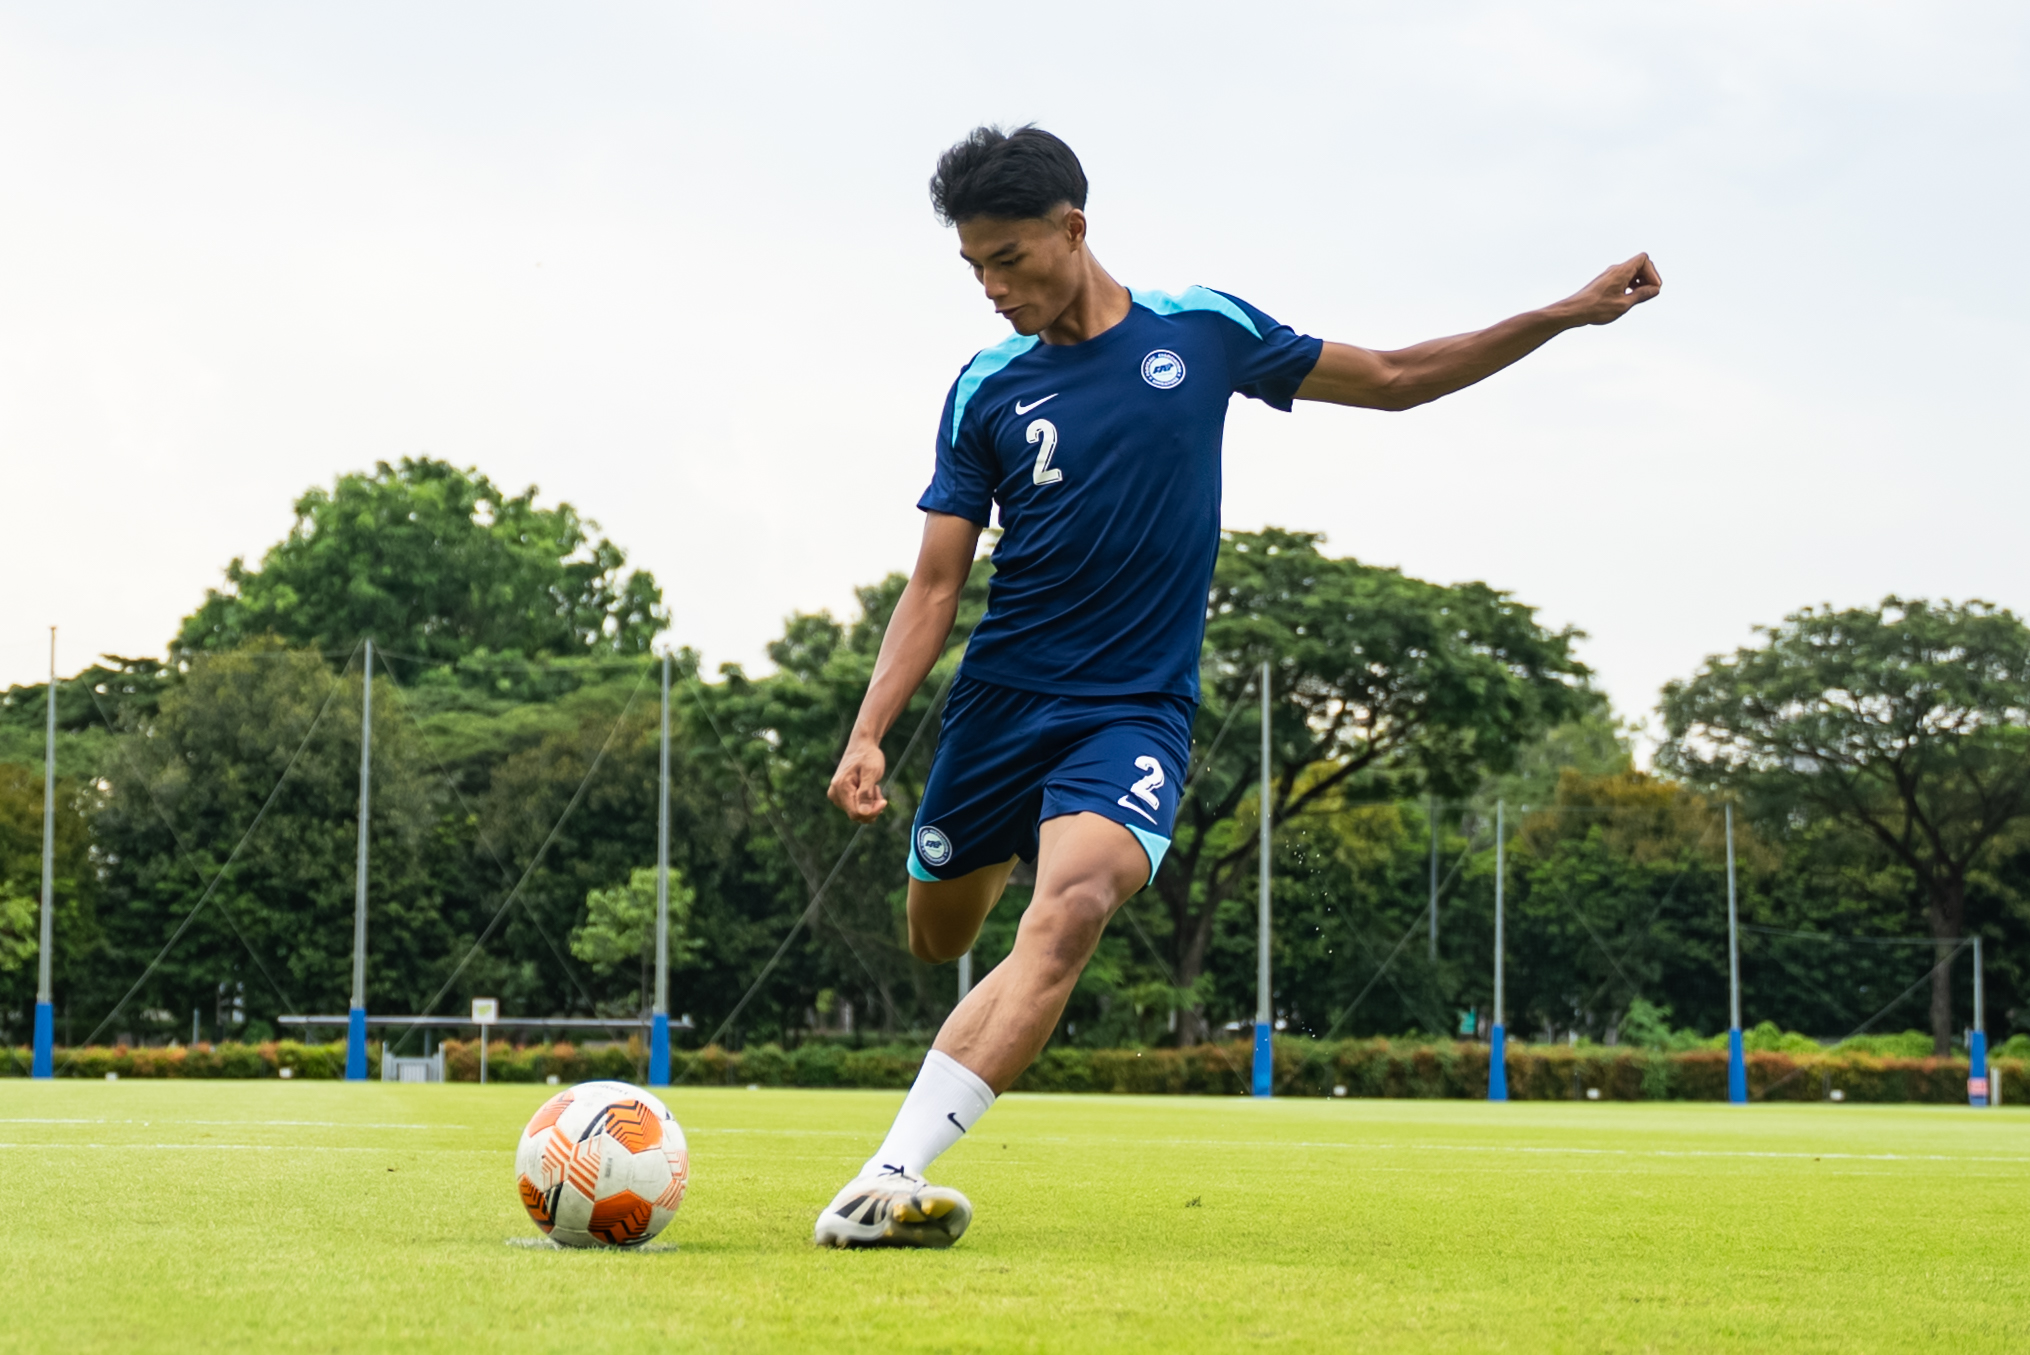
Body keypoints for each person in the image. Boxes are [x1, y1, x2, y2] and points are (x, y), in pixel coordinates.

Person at [813, 125, 1660, 1248]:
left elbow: (1398, 378)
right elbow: (934, 580)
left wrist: (1557, 314)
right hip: (1000, 706)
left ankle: (884, 1176)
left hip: (1132, 708)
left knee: (1067, 910)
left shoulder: (1201, 331)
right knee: (937, 933)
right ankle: (997, 856)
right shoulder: (982, 387)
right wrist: (869, 731)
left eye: (1007, 258)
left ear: (1074, 228)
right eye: (972, 266)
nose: (990, 286)